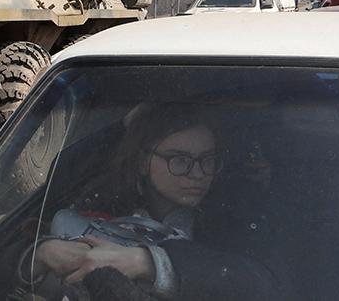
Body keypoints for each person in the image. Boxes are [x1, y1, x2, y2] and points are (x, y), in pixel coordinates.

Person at [33, 104, 290, 300]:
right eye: (179, 160)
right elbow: (59, 178)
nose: (198, 173)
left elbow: (263, 281)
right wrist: (39, 254)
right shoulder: (106, 200)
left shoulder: (236, 215)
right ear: (143, 162)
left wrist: (148, 262)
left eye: (207, 159)